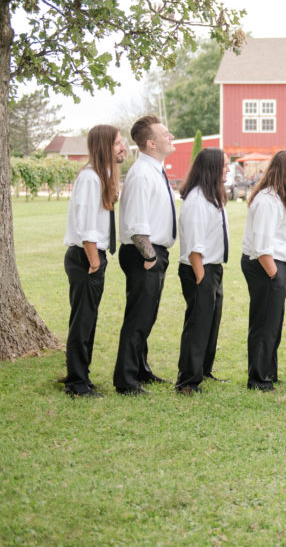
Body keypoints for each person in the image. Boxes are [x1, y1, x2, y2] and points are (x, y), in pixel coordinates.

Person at [113, 115, 176, 396]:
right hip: (143, 253)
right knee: (139, 318)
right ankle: (125, 380)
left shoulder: (155, 170)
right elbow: (137, 225)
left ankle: (140, 369)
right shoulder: (141, 174)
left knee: (146, 316)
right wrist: (150, 258)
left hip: (153, 251)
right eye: (165, 134)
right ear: (151, 143)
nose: (171, 136)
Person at [62, 124, 126, 398]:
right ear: (104, 147)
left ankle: (83, 377)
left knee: (89, 319)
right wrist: (94, 260)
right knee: (82, 320)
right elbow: (86, 224)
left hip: (93, 256)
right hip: (86, 257)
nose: (122, 147)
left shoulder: (105, 175)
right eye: (117, 143)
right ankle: (76, 383)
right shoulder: (90, 178)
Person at [240, 150, 286, 392]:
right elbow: (263, 245)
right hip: (266, 265)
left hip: (275, 265)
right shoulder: (267, 200)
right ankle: (258, 378)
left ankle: (268, 371)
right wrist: (275, 275)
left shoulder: (281, 196)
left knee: (273, 323)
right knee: (264, 324)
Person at [173, 148, 230, 395]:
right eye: (225, 165)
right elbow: (195, 247)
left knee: (210, 323)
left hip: (212, 268)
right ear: (213, 169)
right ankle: (187, 381)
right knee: (198, 325)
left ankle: (203, 371)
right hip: (200, 269)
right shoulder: (196, 201)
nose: (228, 169)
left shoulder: (211, 197)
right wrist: (201, 277)